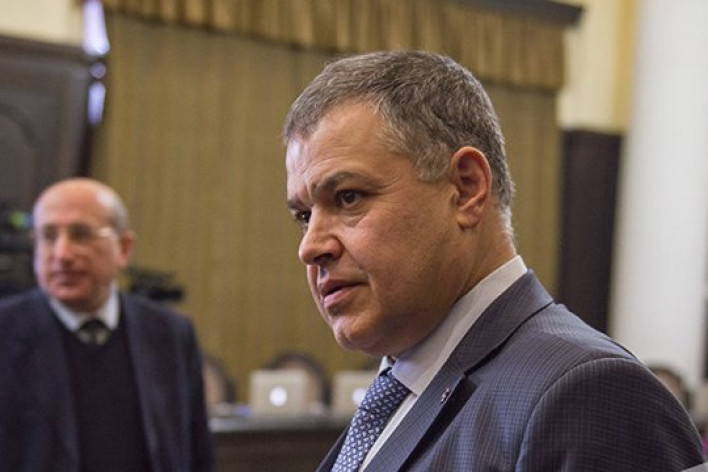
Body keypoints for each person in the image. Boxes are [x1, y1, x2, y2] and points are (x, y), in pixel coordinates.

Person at [282, 51, 706, 471]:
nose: (310, 246)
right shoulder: (396, 391)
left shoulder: (590, 394)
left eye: (348, 197)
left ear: (466, 189)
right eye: (303, 216)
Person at [0, 178, 213, 471]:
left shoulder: (170, 333)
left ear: (123, 248)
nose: (62, 254)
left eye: (81, 234)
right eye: (48, 236)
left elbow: (198, 453)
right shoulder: (6, 331)